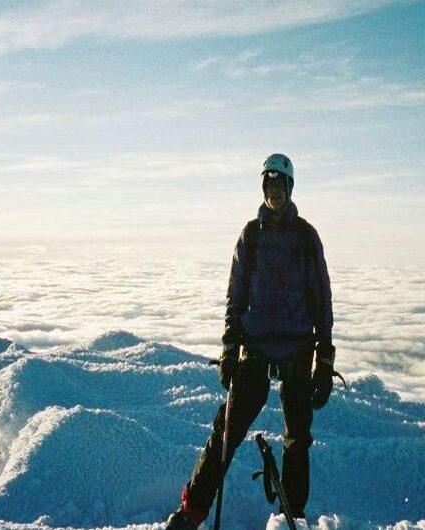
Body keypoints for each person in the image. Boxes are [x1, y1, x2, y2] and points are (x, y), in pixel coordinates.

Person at [165, 153, 335, 530]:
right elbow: (236, 296)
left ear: (290, 188)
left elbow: (321, 299)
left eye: (281, 185)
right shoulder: (251, 235)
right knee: (224, 434)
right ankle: (192, 511)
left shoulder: (306, 236)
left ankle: (294, 516)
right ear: (265, 188)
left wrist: (324, 361)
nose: (275, 191)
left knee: (297, 441)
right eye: (270, 184)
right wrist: (229, 349)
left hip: (297, 350)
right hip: (255, 348)